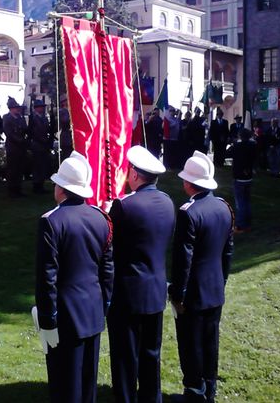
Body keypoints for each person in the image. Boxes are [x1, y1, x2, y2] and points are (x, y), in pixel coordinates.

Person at [35, 151, 114, 403]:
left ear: (62, 189)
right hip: (93, 309)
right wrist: (105, 304)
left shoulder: (51, 221)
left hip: (65, 314)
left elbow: (48, 275)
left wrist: (47, 319)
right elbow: (107, 269)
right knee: (87, 383)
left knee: (64, 384)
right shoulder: (101, 218)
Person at [107, 146, 175, 403]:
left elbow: (110, 247)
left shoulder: (124, 206)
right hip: (156, 289)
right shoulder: (168, 202)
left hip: (128, 294)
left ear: (135, 174)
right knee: (150, 354)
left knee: (125, 357)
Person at [169, 151, 234, 403]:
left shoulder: (189, 212)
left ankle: (195, 391)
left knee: (191, 343)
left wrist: (178, 292)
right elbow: (228, 252)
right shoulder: (224, 207)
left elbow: (183, 259)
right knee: (210, 341)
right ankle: (209, 388)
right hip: (215, 287)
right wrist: (223, 281)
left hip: (194, 292)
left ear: (189, 183)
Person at [227, 128, 256, 232]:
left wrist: (232, 144)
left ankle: (240, 225)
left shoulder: (237, 146)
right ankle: (248, 223)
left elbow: (228, 153)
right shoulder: (253, 145)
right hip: (248, 176)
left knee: (240, 203)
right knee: (247, 201)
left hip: (239, 177)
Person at [2, 97, 27, 198]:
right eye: (15, 108)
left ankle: (18, 188)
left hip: (21, 146)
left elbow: (25, 129)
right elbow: (8, 132)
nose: (17, 109)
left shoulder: (20, 118)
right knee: (12, 169)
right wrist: (18, 140)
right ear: (11, 108)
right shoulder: (6, 117)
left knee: (19, 168)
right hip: (12, 146)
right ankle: (11, 190)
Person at [29, 99, 53, 194]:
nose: (43, 108)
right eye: (41, 107)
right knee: (37, 166)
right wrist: (42, 139)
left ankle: (41, 185)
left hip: (44, 144)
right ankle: (36, 185)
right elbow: (33, 132)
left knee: (42, 165)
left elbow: (47, 129)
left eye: (43, 107)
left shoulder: (44, 118)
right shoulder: (33, 118)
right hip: (37, 144)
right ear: (36, 108)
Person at [58, 94, 73, 160]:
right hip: (66, 137)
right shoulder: (62, 111)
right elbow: (65, 120)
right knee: (66, 155)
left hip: (71, 137)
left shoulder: (69, 110)